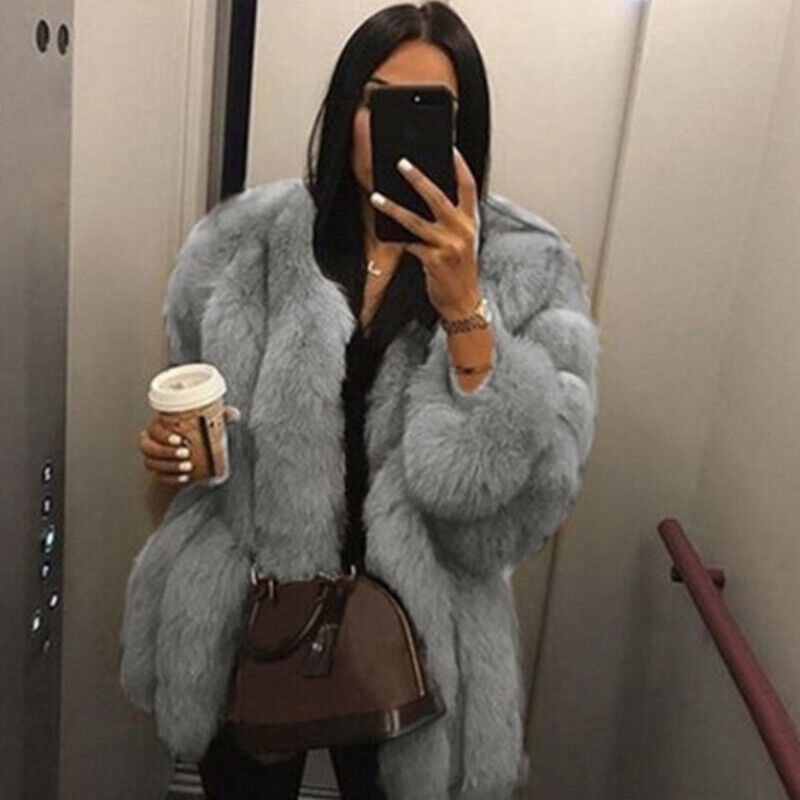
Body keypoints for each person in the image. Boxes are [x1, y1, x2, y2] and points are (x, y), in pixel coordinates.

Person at [119, 3, 601, 799]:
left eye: (428, 108)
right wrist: (173, 460)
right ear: (345, 108)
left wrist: (465, 307)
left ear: (464, 127)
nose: (391, 129)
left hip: (416, 641)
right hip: (250, 621)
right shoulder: (242, 246)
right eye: (376, 101)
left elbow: (522, 515)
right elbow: (195, 466)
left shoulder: (529, 270)